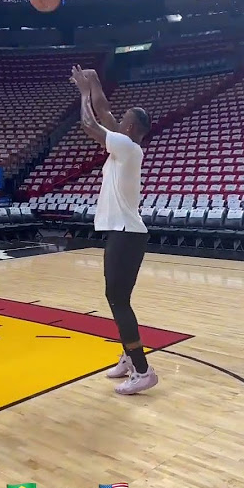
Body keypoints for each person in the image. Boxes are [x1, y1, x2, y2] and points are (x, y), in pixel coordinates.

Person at [70, 66, 158, 395]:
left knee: (117, 298)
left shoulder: (127, 147)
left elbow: (89, 123)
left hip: (127, 232)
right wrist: (93, 82)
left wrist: (81, 93)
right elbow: (104, 110)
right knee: (118, 297)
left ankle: (143, 369)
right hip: (125, 231)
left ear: (131, 126)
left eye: (122, 119)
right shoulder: (125, 144)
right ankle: (129, 355)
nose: (116, 119)